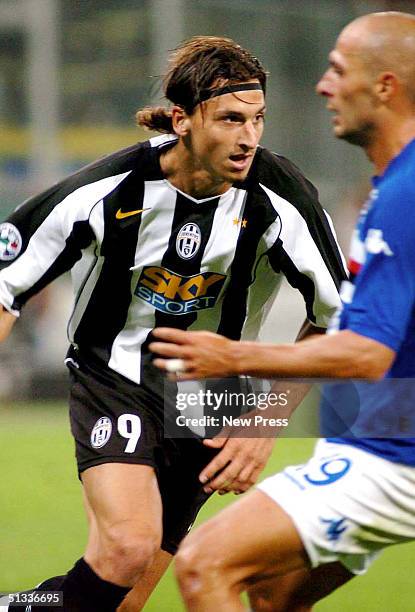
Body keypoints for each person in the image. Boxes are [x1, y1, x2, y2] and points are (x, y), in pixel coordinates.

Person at [0, 37, 345, 612]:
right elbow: (6, 282)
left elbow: (337, 320)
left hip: (214, 399)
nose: (248, 137)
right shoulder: (107, 191)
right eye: (231, 119)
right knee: (128, 550)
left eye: (257, 119)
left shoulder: (280, 199)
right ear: (182, 120)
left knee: (123, 599)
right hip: (116, 377)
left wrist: (264, 420)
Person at [149, 11, 415, 612]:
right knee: (272, 593)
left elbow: (369, 353)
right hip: (374, 438)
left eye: (339, 70)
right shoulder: (395, 185)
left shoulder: (405, 194)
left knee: (203, 565)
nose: (323, 85)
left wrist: (234, 355)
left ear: (386, 87)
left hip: (394, 455)